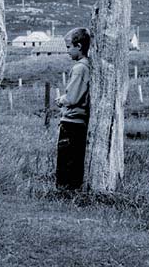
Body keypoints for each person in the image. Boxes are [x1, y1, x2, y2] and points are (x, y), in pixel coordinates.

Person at [55, 27, 90, 190]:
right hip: (79, 121)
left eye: (69, 47)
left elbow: (72, 97)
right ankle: (71, 191)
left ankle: (64, 192)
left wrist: (61, 100)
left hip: (72, 121)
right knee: (74, 160)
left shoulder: (79, 69)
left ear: (79, 46)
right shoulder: (86, 66)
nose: (67, 51)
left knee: (66, 159)